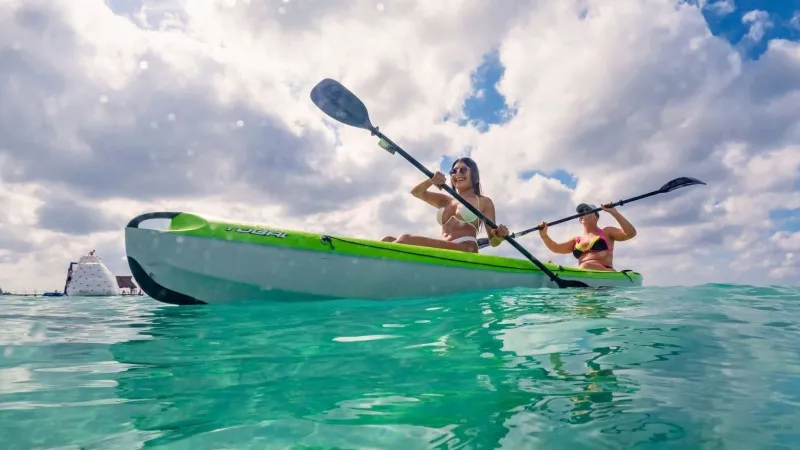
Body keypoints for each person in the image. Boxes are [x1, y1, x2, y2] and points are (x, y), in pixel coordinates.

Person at [382, 157, 509, 253]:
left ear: (474, 176)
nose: (457, 173)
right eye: (454, 171)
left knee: (405, 239)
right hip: (445, 250)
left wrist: (499, 236)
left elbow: (493, 241)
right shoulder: (446, 200)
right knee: (387, 240)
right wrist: (432, 180)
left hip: (466, 250)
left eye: (463, 170)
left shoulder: (484, 202)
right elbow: (416, 192)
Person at [537, 202, 637, 271]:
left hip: (606, 274)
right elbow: (556, 248)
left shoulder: (607, 232)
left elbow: (630, 233)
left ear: (596, 217)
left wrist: (614, 212)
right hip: (585, 275)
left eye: (587, 210)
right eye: (581, 212)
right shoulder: (577, 240)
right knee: (583, 266)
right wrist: (544, 235)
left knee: (586, 265)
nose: (583, 213)